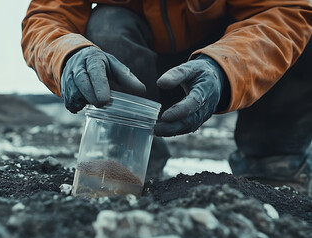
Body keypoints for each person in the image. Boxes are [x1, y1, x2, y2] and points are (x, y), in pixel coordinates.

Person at [21, 0, 312, 195]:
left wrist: (223, 68)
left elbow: (285, 11)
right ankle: (127, 161)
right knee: (107, 22)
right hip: (131, 73)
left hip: (224, 60)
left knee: (303, 36)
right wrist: (69, 54)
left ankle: (273, 166)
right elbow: (48, 16)